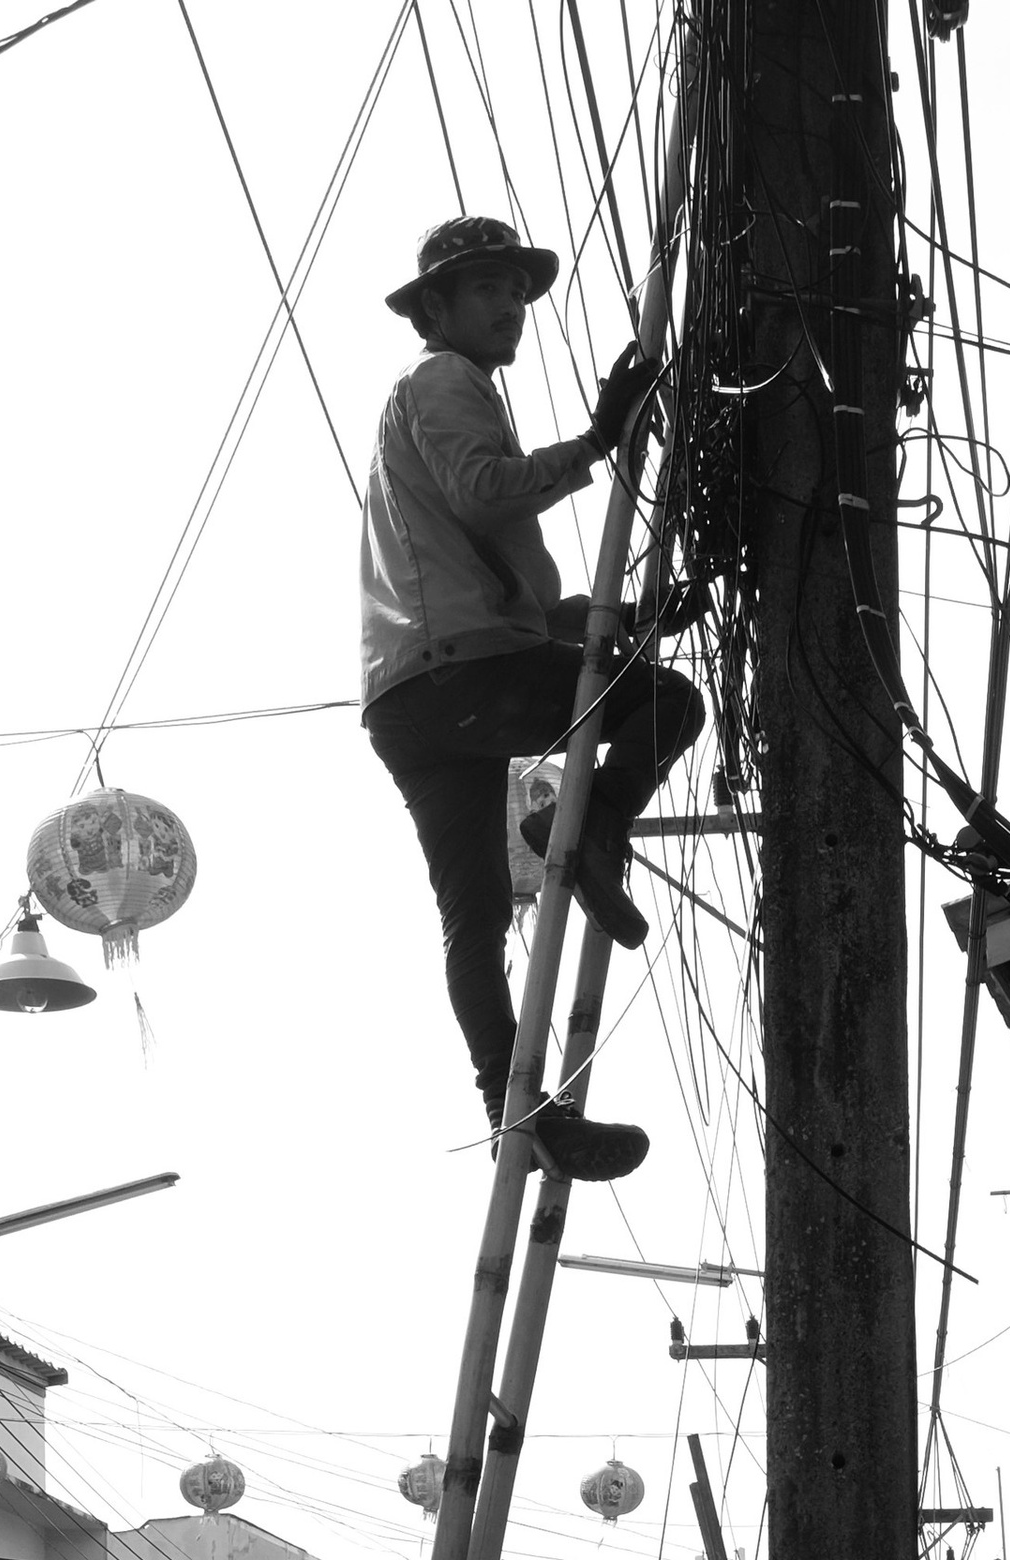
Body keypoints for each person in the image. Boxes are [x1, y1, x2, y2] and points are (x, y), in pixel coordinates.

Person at [361, 211, 706, 1166]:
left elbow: (524, 604)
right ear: (436, 306)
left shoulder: (439, 398)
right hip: (461, 675)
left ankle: (518, 1111)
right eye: (488, 288)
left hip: (416, 699)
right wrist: (600, 438)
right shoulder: (442, 380)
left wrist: (627, 616)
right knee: (666, 705)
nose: (512, 305)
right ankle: (591, 831)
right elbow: (486, 490)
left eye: (518, 289)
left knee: (474, 920)